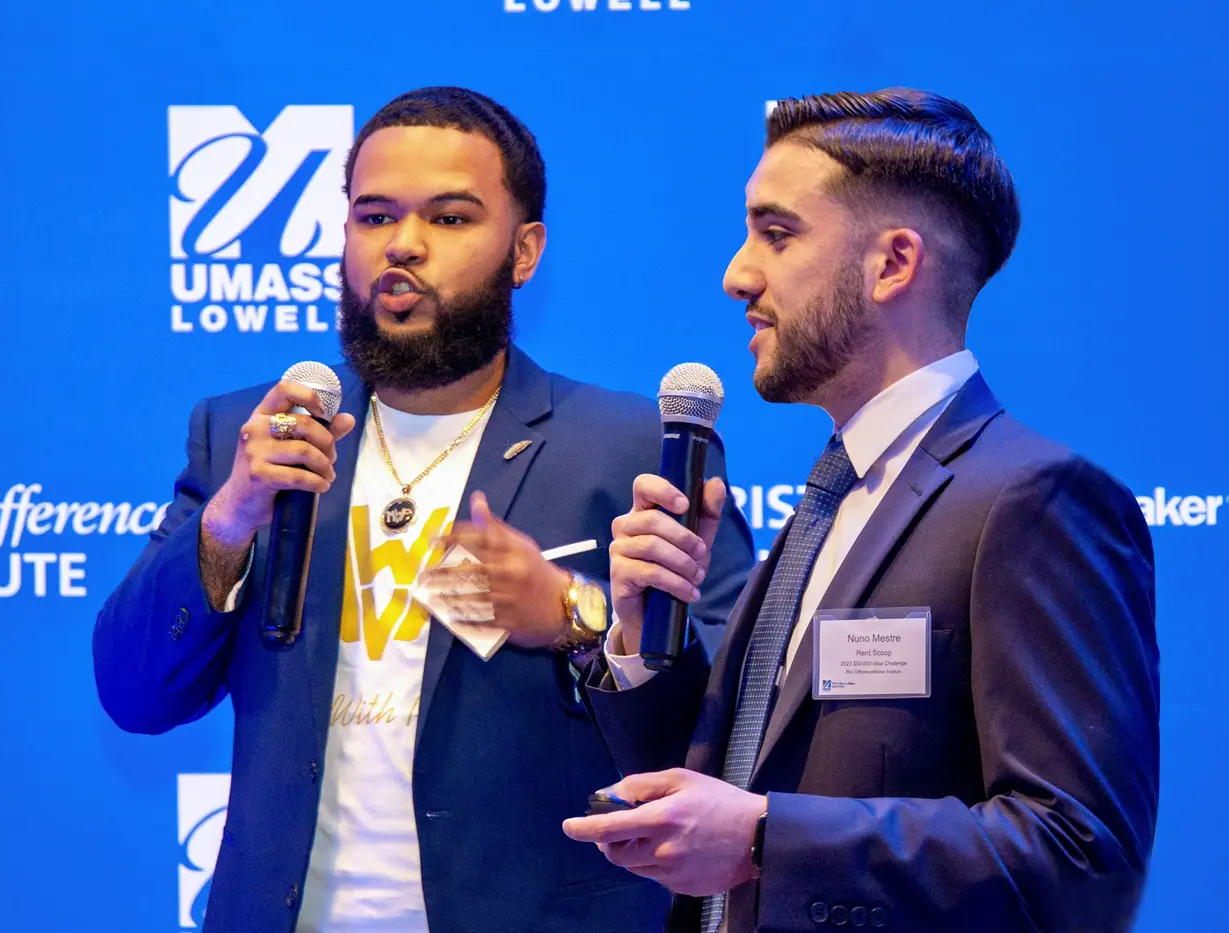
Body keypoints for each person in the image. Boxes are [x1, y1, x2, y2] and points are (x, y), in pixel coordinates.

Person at [93, 86, 754, 933]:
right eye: (373, 217)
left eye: (448, 219)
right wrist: (228, 519)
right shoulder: (250, 438)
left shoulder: (628, 446)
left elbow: (730, 738)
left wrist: (574, 615)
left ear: (524, 251)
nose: (402, 246)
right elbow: (133, 693)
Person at [553, 89, 1160, 932]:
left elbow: (1080, 855)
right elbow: (723, 796)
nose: (738, 274)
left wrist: (768, 836)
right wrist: (641, 642)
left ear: (892, 264)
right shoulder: (830, 501)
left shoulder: (1033, 499)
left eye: (778, 232)